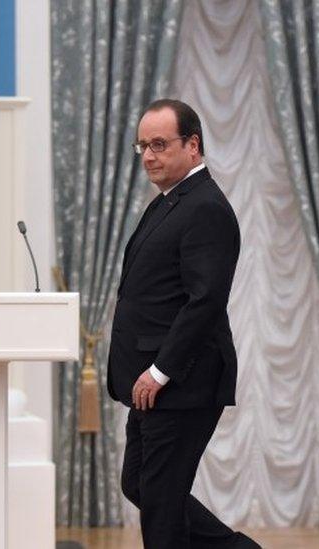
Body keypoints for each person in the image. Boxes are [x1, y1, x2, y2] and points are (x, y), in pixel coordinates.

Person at [107, 98, 258, 548]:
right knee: (142, 487)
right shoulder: (169, 202)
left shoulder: (205, 206)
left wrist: (160, 370)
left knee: (161, 503)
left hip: (180, 380)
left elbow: (205, 301)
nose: (149, 156)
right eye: (142, 147)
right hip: (153, 382)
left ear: (192, 145)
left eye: (159, 144)